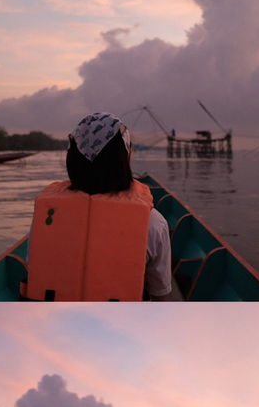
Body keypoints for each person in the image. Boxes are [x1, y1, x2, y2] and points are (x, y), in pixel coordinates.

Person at [25, 112, 172, 301]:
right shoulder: (153, 223)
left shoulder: (47, 218)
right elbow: (161, 296)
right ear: (126, 159)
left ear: (72, 161)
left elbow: (33, 269)